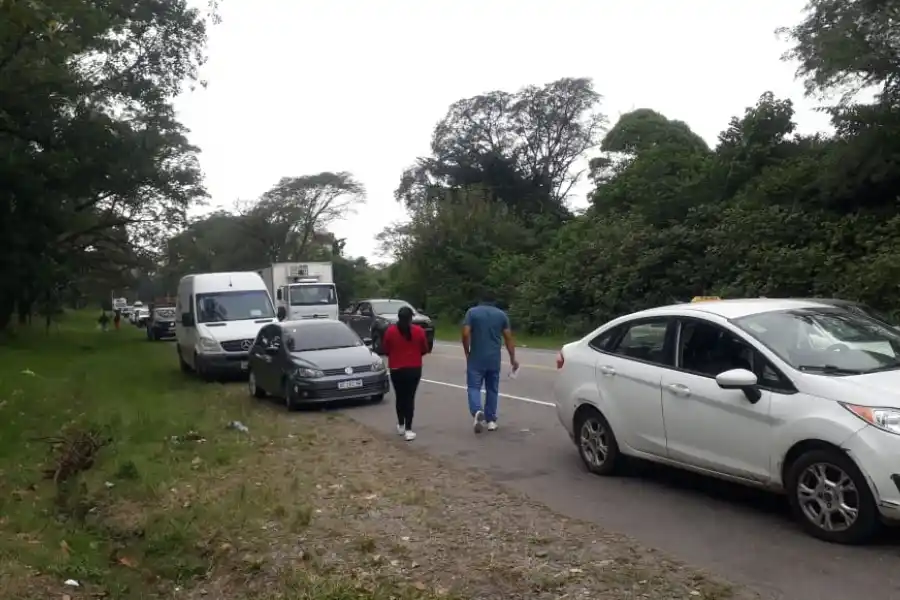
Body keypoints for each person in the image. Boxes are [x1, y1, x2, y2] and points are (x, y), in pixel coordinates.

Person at [461, 298, 518, 433]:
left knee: (474, 387)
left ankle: (476, 411)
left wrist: (467, 351)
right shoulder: (501, 315)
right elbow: (508, 338)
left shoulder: (472, 313)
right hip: (494, 358)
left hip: (476, 357)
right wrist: (513, 359)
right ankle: (491, 420)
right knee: (492, 389)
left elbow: (465, 333)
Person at [382, 306, 430, 441]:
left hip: (396, 369)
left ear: (398, 317)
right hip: (413, 368)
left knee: (400, 397)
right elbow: (424, 349)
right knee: (410, 398)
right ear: (411, 318)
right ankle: (409, 429)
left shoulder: (390, 332)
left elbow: (386, 349)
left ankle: (401, 425)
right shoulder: (419, 331)